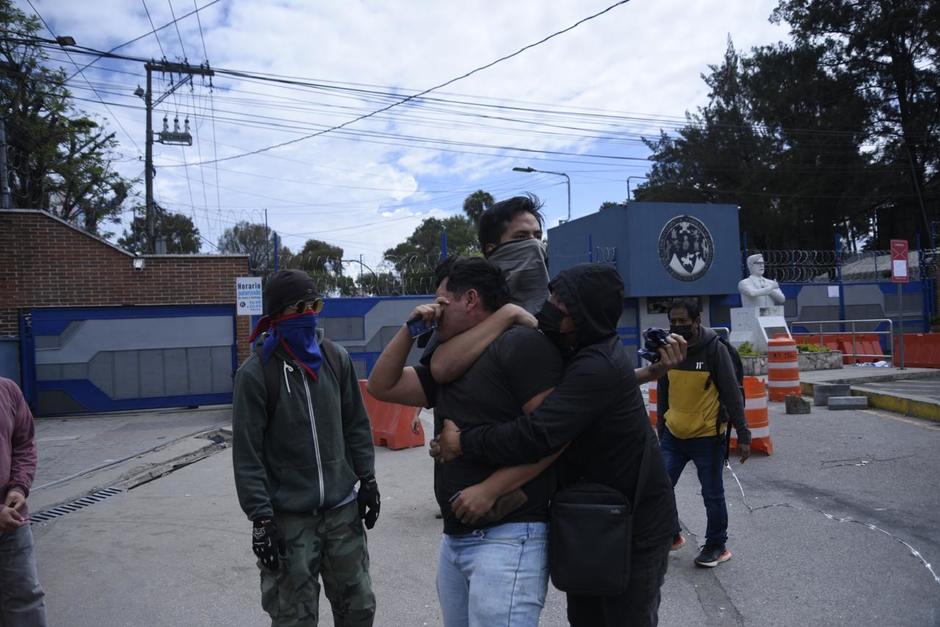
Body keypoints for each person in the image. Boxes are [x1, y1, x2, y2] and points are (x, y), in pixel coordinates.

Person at [433, 264, 679, 627]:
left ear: (586, 314)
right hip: (592, 518)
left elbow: (539, 434)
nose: (549, 306)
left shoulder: (597, 365)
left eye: (562, 303)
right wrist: (645, 374)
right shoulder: (581, 349)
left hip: (633, 527)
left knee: (624, 617)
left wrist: (464, 441)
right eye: (552, 296)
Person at [367, 256, 563, 627]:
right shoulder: (446, 358)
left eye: (442, 301)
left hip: (509, 535)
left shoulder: (519, 345)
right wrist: (410, 330)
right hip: (456, 541)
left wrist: (490, 489)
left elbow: (555, 436)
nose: (435, 311)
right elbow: (382, 385)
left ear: (470, 299)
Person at [232, 269, 379, 627]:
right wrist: (261, 519)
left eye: (314, 305)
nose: (308, 314)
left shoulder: (335, 358)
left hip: (342, 512)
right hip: (289, 518)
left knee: (358, 607)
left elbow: (356, 425)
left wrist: (368, 479)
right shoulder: (256, 374)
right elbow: (247, 455)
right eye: (299, 308)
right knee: (293, 616)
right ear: (276, 315)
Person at [656, 298, 751, 568]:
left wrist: (743, 434)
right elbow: (664, 391)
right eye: (673, 321)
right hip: (673, 435)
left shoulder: (714, 350)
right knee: (658, 487)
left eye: (683, 321)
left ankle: (716, 546)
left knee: (712, 494)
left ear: (696, 321)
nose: (677, 326)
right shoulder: (669, 349)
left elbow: (733, 394)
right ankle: (672, 535)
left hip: (707, 436)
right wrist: (661, 429)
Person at [0, 376, 47, 626]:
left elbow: (24, 443)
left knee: (25, 596)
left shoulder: (7, 390)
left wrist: (19, 486)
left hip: (13, 518)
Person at [477, 193, 549, 313]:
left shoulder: (561, 309)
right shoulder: (471, 309)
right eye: (521, 237)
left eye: (538, 236)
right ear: (492, 250)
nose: (535, 244)